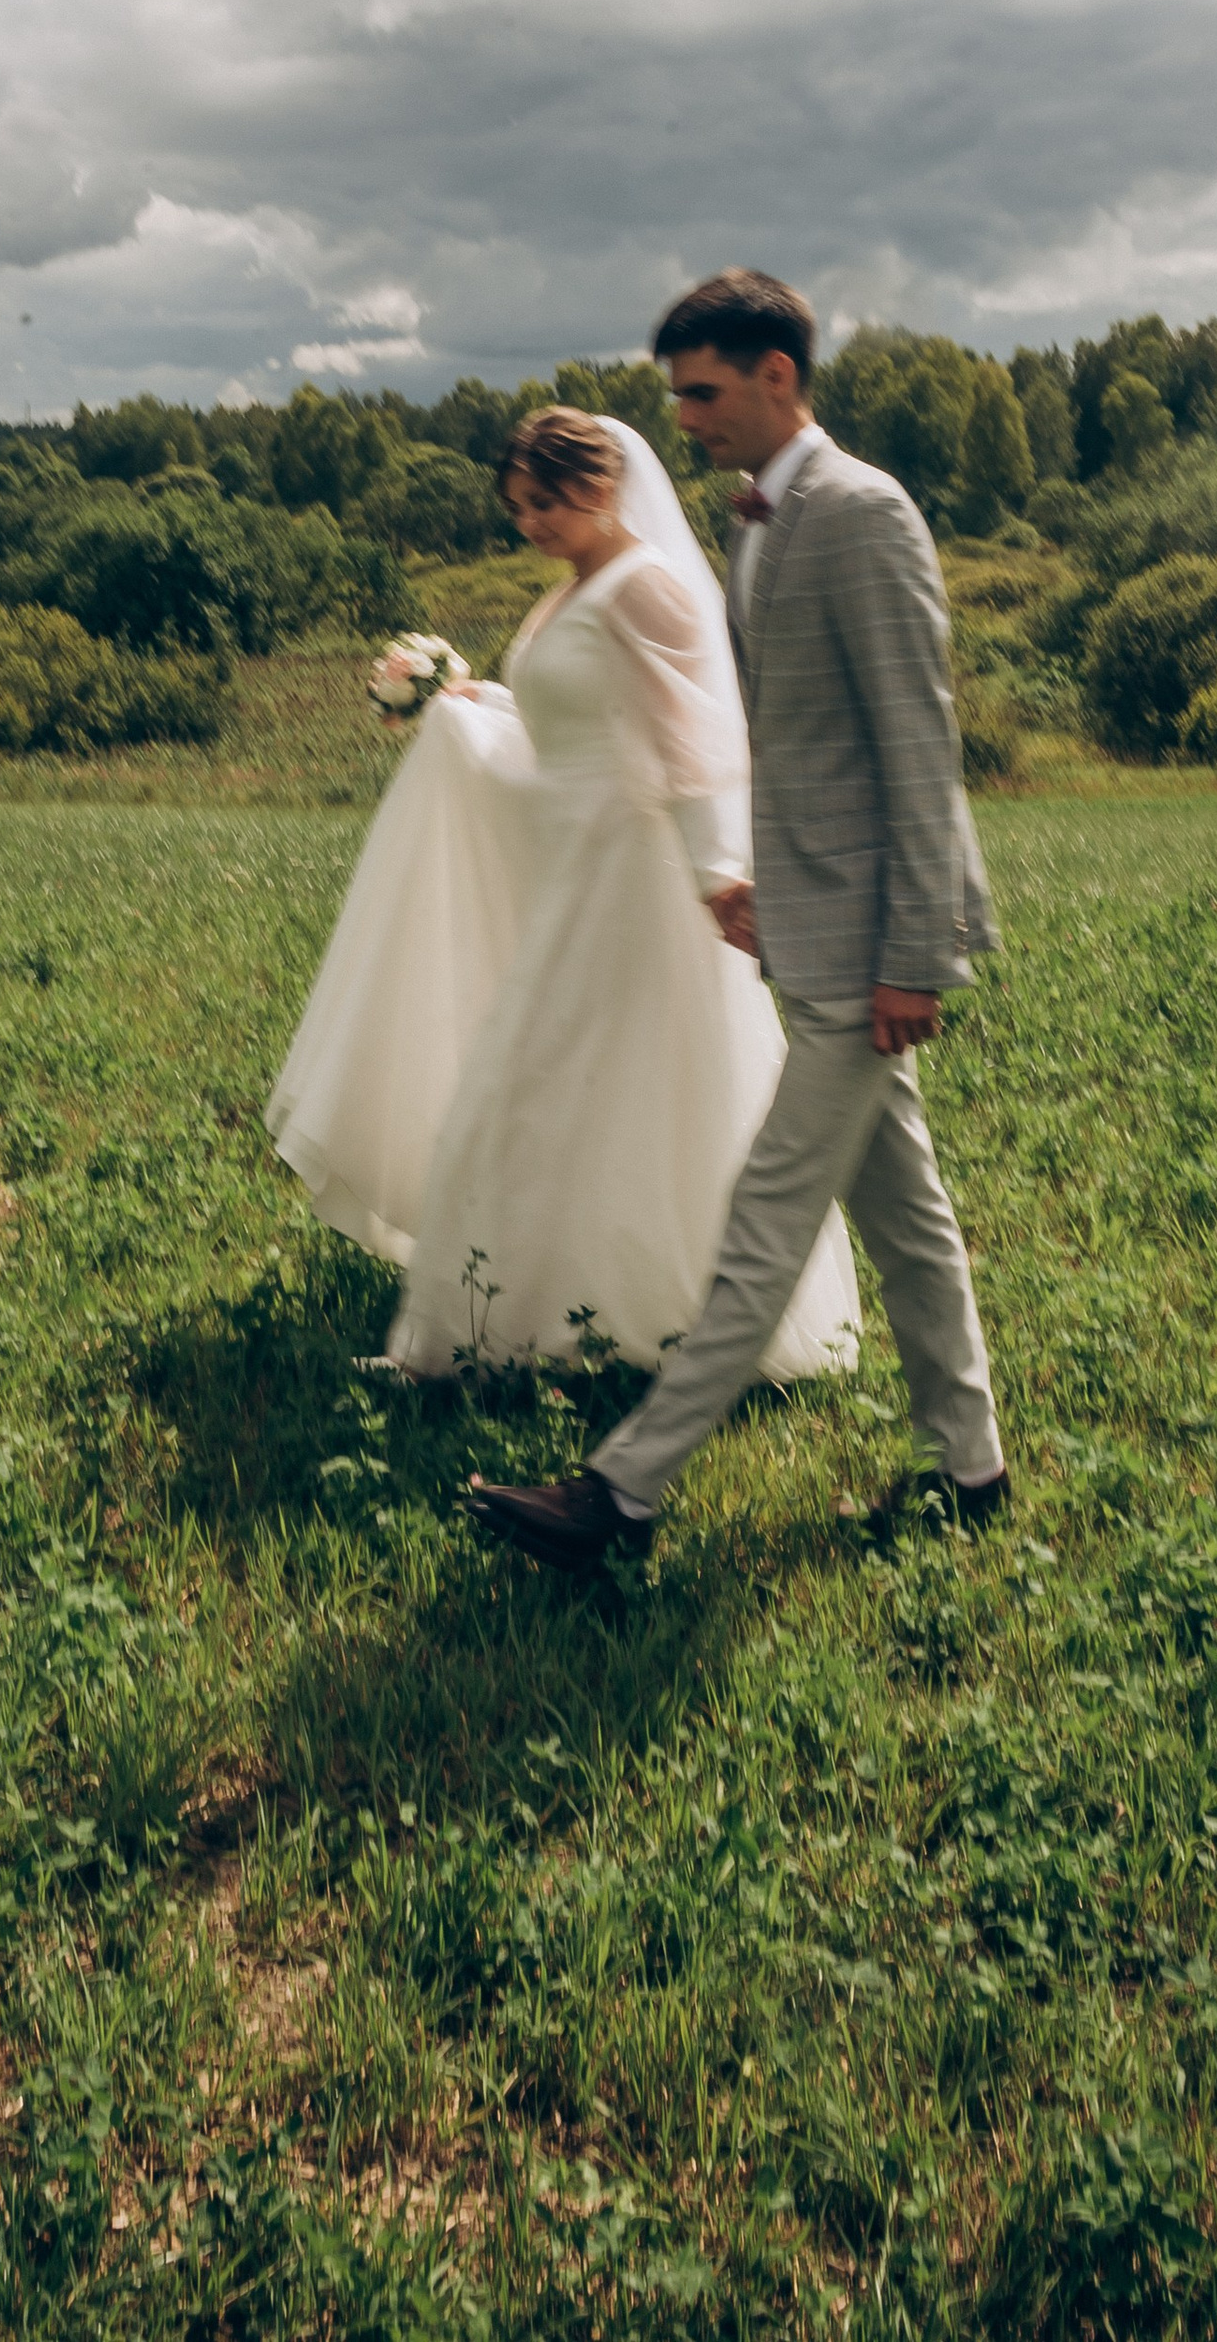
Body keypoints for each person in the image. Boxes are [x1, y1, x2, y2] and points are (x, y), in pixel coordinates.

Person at [469, 268, 1007, 1574]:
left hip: (868, 957)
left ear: (778, 374)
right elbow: (784, 738)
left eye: (705, 392)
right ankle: (972, 1465)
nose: (686, 418)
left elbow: (915, 743)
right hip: (810, 926)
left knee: (767, 1218)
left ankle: (621, 1491)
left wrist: (917, 955)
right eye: (679, 395)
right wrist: (759, 872)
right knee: (908, 1216)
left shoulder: (863, 510)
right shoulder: (760, 520)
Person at [264, 399, 859, 1386]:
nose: (531, 521)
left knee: (557, 1088)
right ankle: (518, 1322)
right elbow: (580, 723)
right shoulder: (575, 588)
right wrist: (477, 703)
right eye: (518, 506)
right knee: (552, 1091)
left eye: (547, 500)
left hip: (633, 881)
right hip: (573, 871)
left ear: (604, 483)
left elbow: (696, 746)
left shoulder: (647, 586)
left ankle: (488, 1337)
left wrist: (717, 873)